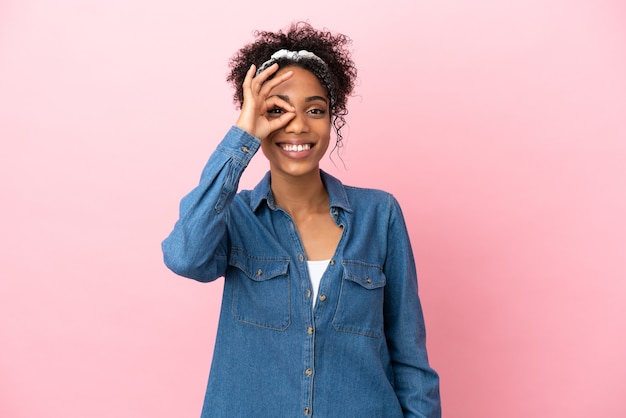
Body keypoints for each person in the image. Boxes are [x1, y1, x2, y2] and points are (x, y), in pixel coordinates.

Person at [162, 22, 441, 418]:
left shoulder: (381, 215)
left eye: (315, 110)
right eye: (276, 111)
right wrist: (243, 135)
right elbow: (184, 255)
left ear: (332, 118)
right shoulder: (236, 217)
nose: (297, 125)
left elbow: (410, 360)